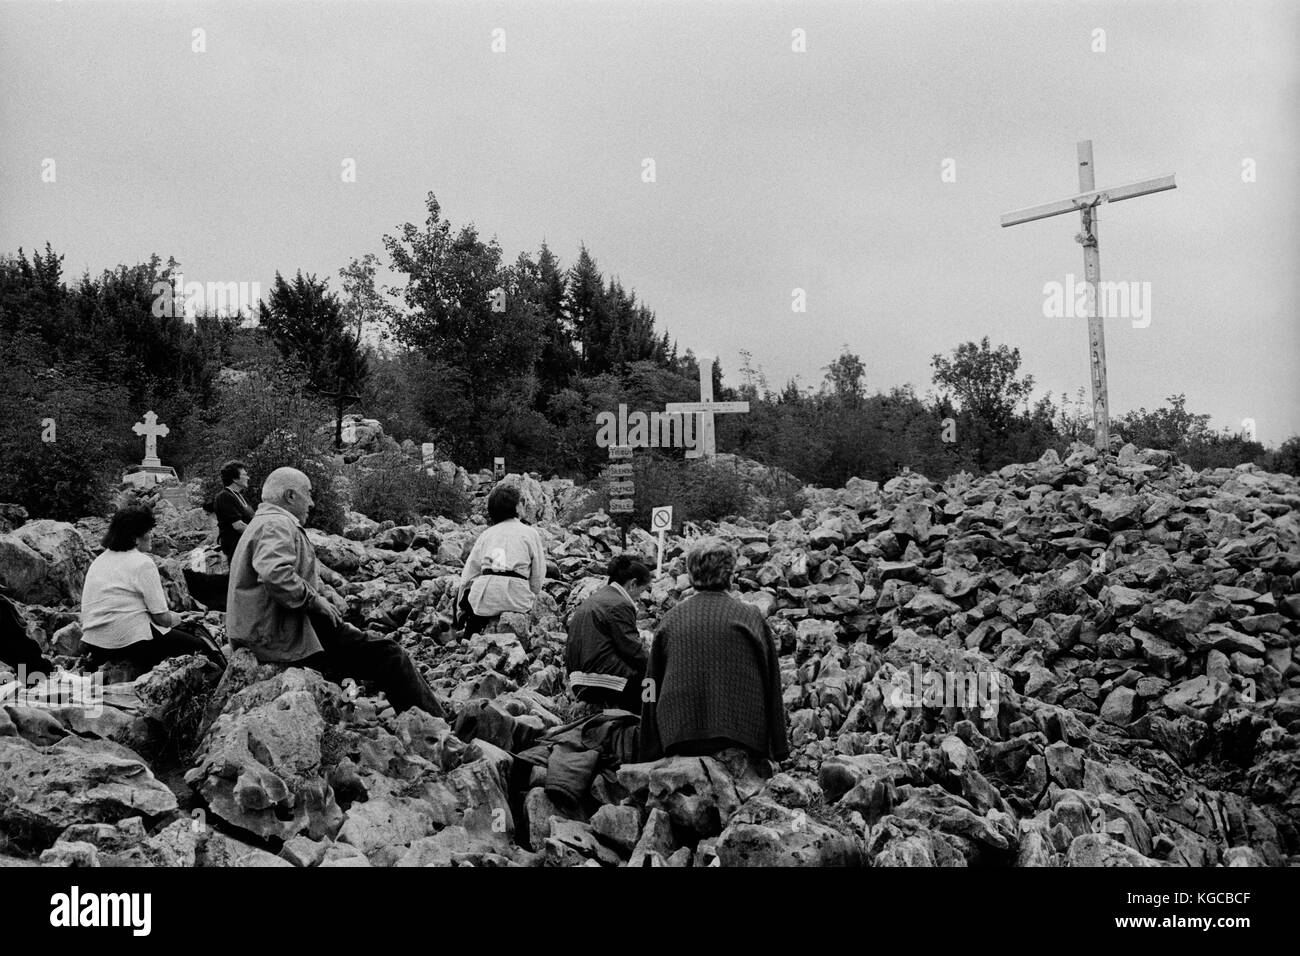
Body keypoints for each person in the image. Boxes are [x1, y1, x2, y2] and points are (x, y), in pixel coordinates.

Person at [225, 466, 444, 717]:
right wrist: (315, 600)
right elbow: (275, 574)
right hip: (276, 634)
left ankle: (348, 708)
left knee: (351, 646)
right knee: (389, 654)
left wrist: (324, 595)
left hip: (264, 629)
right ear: (290, 496)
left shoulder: (262, 522)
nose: (313, 502)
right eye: (308, 494)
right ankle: (436, 724)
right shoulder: (277, 524)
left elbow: (284, 573)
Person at [639, 537, 789, 764]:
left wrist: (648, 746)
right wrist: (778, 746)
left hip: (679, 735)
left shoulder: (670, 620)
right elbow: (772, 681)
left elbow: (649, 684)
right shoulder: (750, 617)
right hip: (740, 734)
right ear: (730, 574)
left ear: (690, 575)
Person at [79, 505, 226, 672]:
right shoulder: (143, 563)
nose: (152, 535)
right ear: (135, 538)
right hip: (127, 640)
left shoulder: (99, 560)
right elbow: (161, 618)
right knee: (200, 647)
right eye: (148, 531)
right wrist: (179, 618)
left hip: (94, 640)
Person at [457, 483, 546, 639]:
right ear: (517, 508)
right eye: (522, 502)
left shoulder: (487, 534)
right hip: (517, 598)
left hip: (485, 597)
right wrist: (531, 593)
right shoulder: (530, 533)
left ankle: (469, 636)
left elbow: (469, 574)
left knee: (474, 617)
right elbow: (537, 577)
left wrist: (461, 606)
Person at [565, 554, 651, 714]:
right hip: (602, 678)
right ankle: (647, 720)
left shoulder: (598, 597)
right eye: (642, 590)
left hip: (578, 678)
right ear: (633, 584)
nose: (641, 597)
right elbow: (632, 650)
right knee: (651, 681)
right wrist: (657, 663)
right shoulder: (620, 604)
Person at [214, 460, 254, 562]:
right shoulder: (224, 496)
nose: (248, 477)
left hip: (246, 545)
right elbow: (239, 526)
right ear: (235, 478)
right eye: (245, 475)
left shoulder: (239, 496)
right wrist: (260, 535)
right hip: (236, 548)